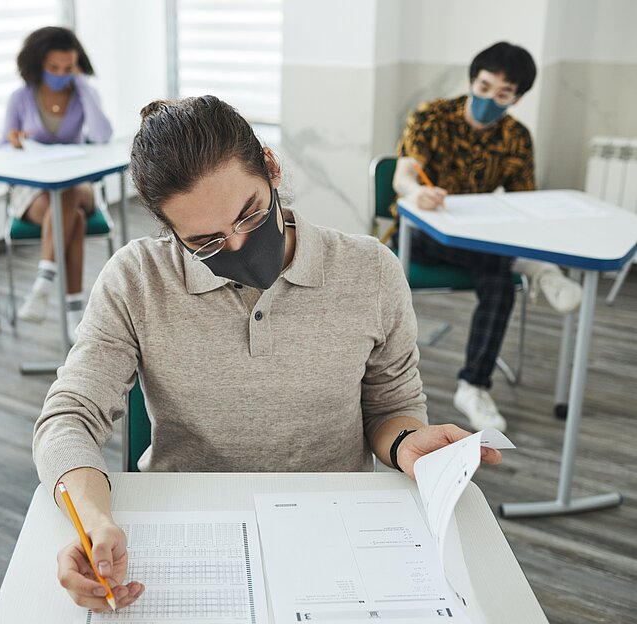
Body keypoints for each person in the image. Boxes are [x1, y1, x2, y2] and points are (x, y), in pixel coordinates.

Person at [33, 96, 503, 612]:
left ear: (272, 168)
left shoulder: (369, 270)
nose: (236, 244)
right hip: (191, 530)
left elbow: (391, 405)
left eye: (249, 214)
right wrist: (92, 521)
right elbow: (69, 416)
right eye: (206, 241)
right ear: (171, 232)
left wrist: (406, 442)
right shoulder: (137, 279)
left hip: (335, 527)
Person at [394, 41, 582, 433]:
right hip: (422, 234)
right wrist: (416, 193)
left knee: (498, 283)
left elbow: (523, 206)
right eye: (483, 87)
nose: (488, 99)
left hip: (478, 243)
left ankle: (473, 387)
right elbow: (403, 174)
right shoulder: (432, 117)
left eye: (502, 94)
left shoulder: (516, 137)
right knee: (496, 266)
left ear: (517, 97)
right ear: (471, 80)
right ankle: (539, 269)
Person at [0, 26, 113, 341]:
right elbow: (2, 148)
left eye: (68, 68)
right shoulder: (20, 98)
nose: (61, 74)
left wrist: (83, 86)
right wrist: (14, 142)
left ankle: (43, 283)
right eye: (54, 68)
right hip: (35, 192)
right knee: (71, 218)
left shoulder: (82, 94)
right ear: (37, 64)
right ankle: (75, 312)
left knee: (68, 193)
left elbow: (102, 135)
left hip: (79, 187)